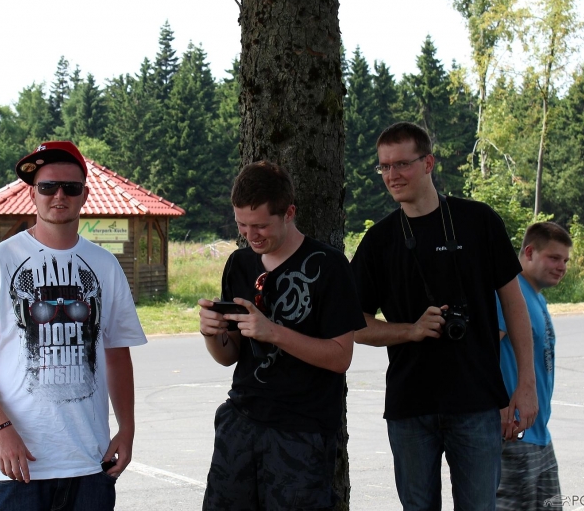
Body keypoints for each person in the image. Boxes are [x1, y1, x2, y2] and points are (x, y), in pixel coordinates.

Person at [0, 140, 147, 511]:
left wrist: (128, 429)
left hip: (90, 464)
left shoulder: (105, 265)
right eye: (48, 186)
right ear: (32, 194)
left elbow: (118, 356)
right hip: (16, 466)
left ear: (85, 195)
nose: (59, 195)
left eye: (70, 187)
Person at [350, 121, 538, 510]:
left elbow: (515, 305)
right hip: (410, 407)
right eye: (384, 166)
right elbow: (353, 324)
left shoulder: (479, 221)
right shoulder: (379, 241)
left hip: (477, 403)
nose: (392, 175)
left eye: (402, 164)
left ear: (428, 163)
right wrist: (411, 330)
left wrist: (526, 384)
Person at [198, 161, 366, 510]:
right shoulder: (240, 264)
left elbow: (340, 357)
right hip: (240, 421)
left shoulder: (329, 266)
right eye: (242, 225)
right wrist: (211, 334)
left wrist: (273, 332)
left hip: (301, 430)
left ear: (289, 213)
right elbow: (229, 356)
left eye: (261, 225)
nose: (251, 235)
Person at [497, 222, 572, 510]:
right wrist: (497, 407)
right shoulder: (509, 294)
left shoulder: (535, 296)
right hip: (514, 436)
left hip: (539, 435)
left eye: (565, 260)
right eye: (554, 258)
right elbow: (483, 355)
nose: (561, 267)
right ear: (529, 252)